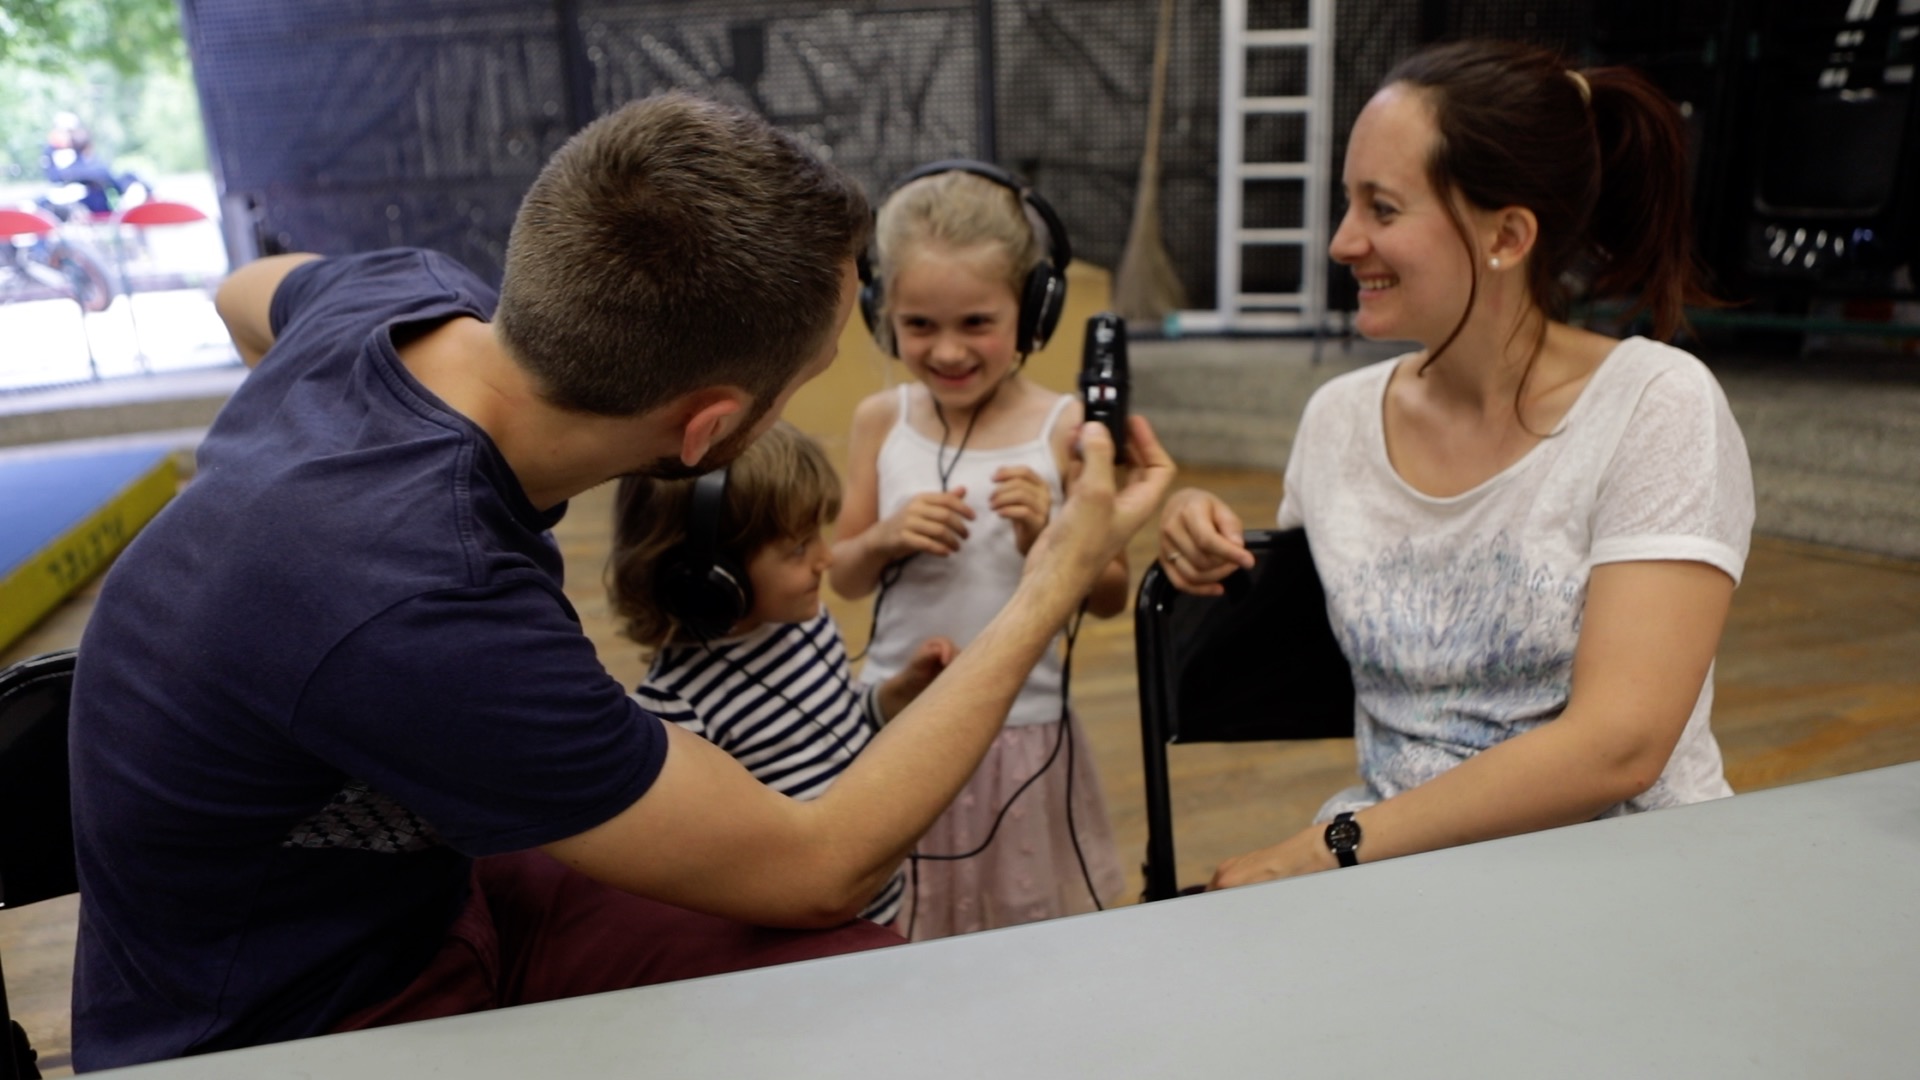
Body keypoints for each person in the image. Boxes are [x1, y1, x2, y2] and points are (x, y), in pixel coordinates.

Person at [67, 91, 1175, 1069]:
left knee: (855, 978)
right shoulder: (429, 608)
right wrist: (1057, 575)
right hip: (293, 1015)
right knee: (836, 969)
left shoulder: (399, 300)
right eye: (803, 381)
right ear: (707, 430)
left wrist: (294, 474)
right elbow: (821, 865)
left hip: (417, 896)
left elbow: (243, 290)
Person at [1158, 40, 1754, 888]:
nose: (1342, 241)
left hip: (1626, 879)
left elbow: (1619, 746)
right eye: (1347, 203)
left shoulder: (1656, 404)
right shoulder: (1338, 421)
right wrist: (1198, 531)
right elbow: (1280, 648)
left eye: (1382, 208)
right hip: (1399, 874)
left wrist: (1326, 846)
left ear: (1507, 235)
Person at [830, 164, 1131, 939]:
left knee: (1022, 937)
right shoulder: (880, 420)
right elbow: (844, 575)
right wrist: (886, 536)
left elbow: (1109, 595)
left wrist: (1046, 537)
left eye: (976, 322)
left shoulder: (1066, 427)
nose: (948, 350)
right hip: (899, 723)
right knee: (899, 933)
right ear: (880, 313)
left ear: (1033, 312)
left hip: (1021, 732)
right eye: (919, 325)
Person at [609, 421, 956, 926]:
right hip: (804, 940)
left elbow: (840, 726)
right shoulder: (677, 709)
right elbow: (710, 867)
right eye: (798, 549)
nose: (826, 558)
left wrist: (894, 696)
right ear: (711, 578)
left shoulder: (809, 625)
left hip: (884, 907)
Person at [39, 112, 144, 217]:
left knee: (128, 179)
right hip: (66, 198)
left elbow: (102, 172)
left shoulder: (81, 148)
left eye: (70, 131)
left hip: (93, 200)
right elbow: (55, 176)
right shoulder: (51, 152)